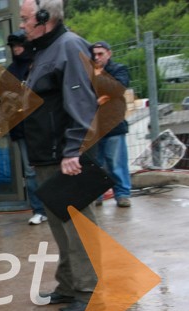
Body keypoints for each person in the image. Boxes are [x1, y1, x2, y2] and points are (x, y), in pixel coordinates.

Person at [20, 0, 99, 311]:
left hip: (64, 155)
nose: (22, 25)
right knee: (60, 226)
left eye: (25, 18)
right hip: (46, 155)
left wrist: (73, 151)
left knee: (78, 226)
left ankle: (88, 289)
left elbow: (81, 101)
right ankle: (69, 284)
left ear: (44, 17)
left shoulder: (68, 45)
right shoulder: (45, 50)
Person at [4, 31, 46, 225]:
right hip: (21, 128)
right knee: (30, 171)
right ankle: (38, 209)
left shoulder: (38, 64)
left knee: (47, 168)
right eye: (14, 47)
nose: (16, 49)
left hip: (41, 126)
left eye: (19, 45)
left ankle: (55, 207)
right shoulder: (11, 71)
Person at [91, 40, 132, 208]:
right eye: (94, 55)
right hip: (94, 126)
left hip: (114, 125)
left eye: (100, 54)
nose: (97, 57)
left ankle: (122, 194)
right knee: (96, 165)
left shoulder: (119, 69)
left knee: (117, 163)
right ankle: (96, 195)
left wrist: (99, 77)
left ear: (109, 53)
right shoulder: (88, 72)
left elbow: (118, 89)